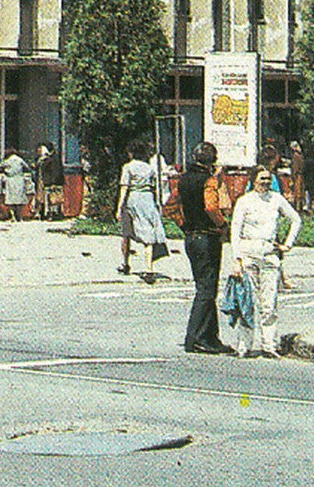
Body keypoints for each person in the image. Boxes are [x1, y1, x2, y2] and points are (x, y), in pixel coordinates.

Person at [228, 165, 301, 358]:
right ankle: (244, 345)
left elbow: (296, 219)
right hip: (248, 253)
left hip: (269, 254)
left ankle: (269, 345)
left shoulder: (276, 199)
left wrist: (287, 244)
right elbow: (235, 232)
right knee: (248, 302)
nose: (266, 183)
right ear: (253, 180)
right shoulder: (244, 201)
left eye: (268, 179)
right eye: (262, 179)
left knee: (269, 304)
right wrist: (236, 259)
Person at [175, 142, 232, 355]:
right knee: (206, 290)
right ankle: (195, 337)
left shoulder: (183, 180)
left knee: (206, 287)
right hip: (207, 237)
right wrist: (222, 225)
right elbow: (211, 207)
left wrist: (185, 225)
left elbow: (170, 206)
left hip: (191, 237)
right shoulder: (208, 181)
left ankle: (210, 336)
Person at [118, 144, 167, 282]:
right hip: (148, 199)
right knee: (148, 233)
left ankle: (126, 263)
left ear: (131, 153)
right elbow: (155, 187)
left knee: (126, 232)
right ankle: (149, 268)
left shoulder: (128, 167)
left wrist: (119, 207)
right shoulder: (150, 168)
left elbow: (124, 187)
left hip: (133, 198)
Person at [0, 147, 29, 222]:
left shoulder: (8, 161)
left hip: (10, 180)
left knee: (10, 200)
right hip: (20, 180)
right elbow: (27, 167)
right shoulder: (20, 160)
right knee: (20, 199)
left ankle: (13, 216)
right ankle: (20, 217)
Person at [34, 143, 64, 221]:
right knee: (42, 198)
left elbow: (55, 171)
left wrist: (53, 182)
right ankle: (43, 213)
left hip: (50, 181)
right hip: (42, 181)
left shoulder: (53, 158)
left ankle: (53, 214)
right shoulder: (41, 159)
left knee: (53, 198)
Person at [289, 140, 308, 211]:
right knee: (297, 192)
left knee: (300, 192)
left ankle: (299, 207)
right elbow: (295, 167)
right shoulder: (296, 155)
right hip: (298, 176)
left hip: (299, 175)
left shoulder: (299, 155)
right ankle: (297, 208)